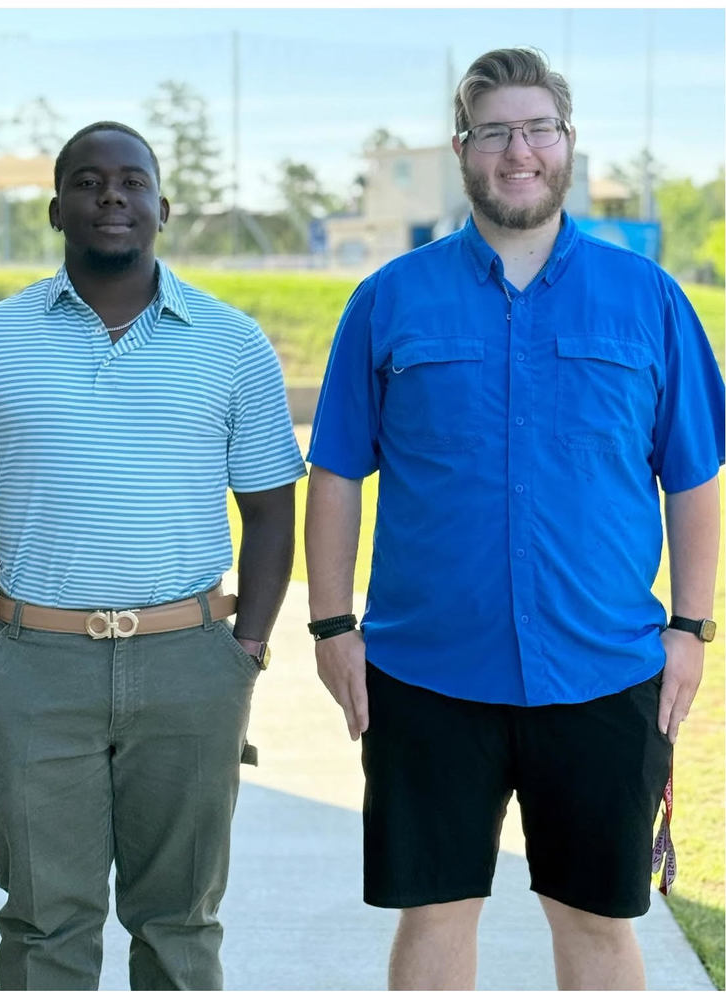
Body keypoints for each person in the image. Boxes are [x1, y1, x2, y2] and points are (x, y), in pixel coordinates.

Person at [305, 48, 724, 991]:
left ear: (567, 145)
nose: (517, 150)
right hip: (426, 673)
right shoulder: (388, 300)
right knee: (435, 914)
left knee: (596, 922)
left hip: (603, 669)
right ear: (463, 151)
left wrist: (691, 630)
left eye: (537, 129)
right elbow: (334, 473)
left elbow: (692, 477)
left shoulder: (648, 300)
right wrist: (333, 629)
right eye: (495, 132)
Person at [0, 121, 307, 991]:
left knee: (179, 926)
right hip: (33, 668)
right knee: (42, 929)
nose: (113, 197)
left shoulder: (232, 343)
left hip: (191, 666)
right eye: (90, 182)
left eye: (133, 182)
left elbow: (270, 512)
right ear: (57, 208)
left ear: (163, 208)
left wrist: (243, 653)